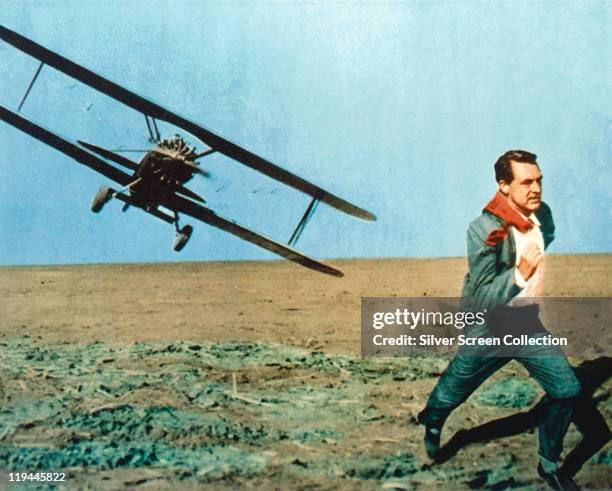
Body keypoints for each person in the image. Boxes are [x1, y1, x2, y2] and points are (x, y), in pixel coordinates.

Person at [418, 150, 582, 491]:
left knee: (568, 390)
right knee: (452, 391)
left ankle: (549, 464)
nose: (536, 188)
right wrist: (519, 276)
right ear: (503, 186)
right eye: (526, 182)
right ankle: (433, 420)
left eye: (539, 180)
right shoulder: (485, 229)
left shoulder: (542, 215)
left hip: (526, 324)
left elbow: (545, 234)